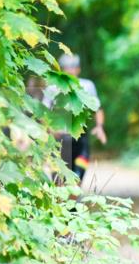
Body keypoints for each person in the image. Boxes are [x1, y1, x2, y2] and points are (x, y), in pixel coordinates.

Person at [43, 53, 107, 184]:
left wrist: (100, 127)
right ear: (61, 70)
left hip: (80, 138)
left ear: (79, 69)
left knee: (77, 179)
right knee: (59, 181)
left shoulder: (87, 85)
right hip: (59, 139)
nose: (70, 70)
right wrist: (49, 130)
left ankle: (74, 196)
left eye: (74, 67)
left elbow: (97, 109)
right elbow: (43, 112)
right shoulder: (52, 88)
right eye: (67, 67)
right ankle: (61, 196)